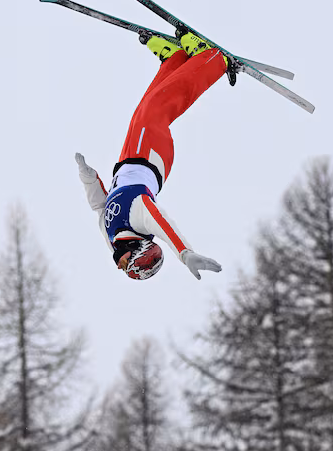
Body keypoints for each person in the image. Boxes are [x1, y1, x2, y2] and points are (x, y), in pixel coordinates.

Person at [75, 31, 229, 281]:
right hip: (150, 156)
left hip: (127, 158)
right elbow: (165, 224)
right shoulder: (141, 219)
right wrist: (185, 253)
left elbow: (99, 206)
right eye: (126, 265)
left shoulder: (112, 238)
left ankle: (175, 59)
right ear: (140, 251)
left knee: (143, 109)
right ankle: (213, 61)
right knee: (156, 107)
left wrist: (87, 177)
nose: (119, 266)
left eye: (124, 269)